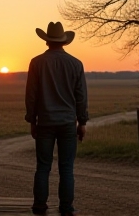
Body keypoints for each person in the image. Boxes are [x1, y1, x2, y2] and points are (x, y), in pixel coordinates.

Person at [25, 22, 89, 216]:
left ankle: (39, 205)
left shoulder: (36, 63)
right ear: (63, 42)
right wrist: (82, 122)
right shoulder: (76, 64)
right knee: (66, 167)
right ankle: (66, 207)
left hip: (44, 122)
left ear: (46, 41)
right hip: (68, 123)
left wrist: (32, 121)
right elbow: (81, 96)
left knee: (43, 166)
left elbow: (31, 95)